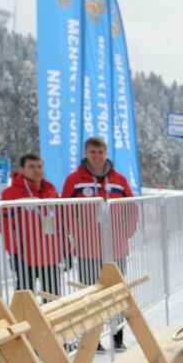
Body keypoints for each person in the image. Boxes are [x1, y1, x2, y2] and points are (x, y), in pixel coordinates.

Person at [62, 135, 136, 348]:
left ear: (106, 153)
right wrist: (78, 234)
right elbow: (65, 210)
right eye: (92, 152)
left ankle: (117, 337)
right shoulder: (73, 180)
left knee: (117, 292)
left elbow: (132, 207)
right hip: (88, 249)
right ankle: (93, 340)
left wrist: (126, 232)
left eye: (100, 152)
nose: (96, 157)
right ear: (86, 153)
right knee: (90, 294)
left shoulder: (119, 179)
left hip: (116, 247)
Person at [0, 153, 63, 297]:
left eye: (39, 166)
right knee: (25, 299)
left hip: (50, 255)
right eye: (31, 167)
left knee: (52, 296)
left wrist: (64, 249)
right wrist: (14, 252)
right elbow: (6, 226)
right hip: (25, 255)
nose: (36, 170)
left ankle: (50, 320)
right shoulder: (10, 193)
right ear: (22, 169)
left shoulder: (51, 191)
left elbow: (59, 222)